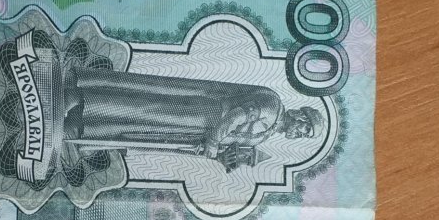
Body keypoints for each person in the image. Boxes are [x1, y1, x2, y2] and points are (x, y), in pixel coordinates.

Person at [62, 66, 323, 171]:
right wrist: (214, 141)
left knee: (142, 127)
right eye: (305, 127)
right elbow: (236, 116)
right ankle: (80, 98)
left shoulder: (265, 135)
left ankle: (82, 126)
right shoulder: (272, 107)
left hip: (196, 131)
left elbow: (231, 141)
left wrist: (220, 155)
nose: (299, 133)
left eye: (305, 135)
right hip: (205, 112)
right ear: (299, 115)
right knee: (144, 110)